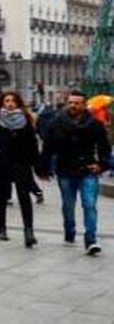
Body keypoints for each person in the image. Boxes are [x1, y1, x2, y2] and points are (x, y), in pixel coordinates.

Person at [36, 91, 111, 255]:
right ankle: (69, 232)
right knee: (68, 206)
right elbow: (48, 147)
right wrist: (42, 168)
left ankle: (91, 240)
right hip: (65, 170)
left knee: (89, 205)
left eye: (77, 103)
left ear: (84, 105)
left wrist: (102, 165)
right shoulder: (57, 123)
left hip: (88, 170)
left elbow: (105, 148)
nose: (73, 105)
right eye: (70, 102)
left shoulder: (94, 124)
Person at [0, 91, 39, 247]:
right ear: (2, 103)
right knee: (1, 196)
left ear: (18, 103)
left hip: (21, 163)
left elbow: (32, 143)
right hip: (1, 162)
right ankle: (2, 227)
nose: (10, 103)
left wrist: (37, 164)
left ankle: (28, 231)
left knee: (24, 196)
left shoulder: (26, 120)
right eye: (7, 101)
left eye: (13, 101)